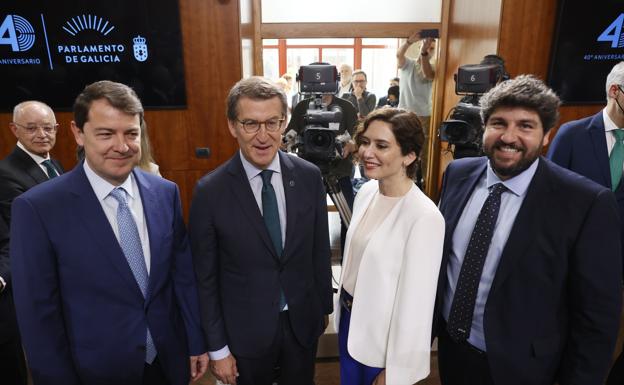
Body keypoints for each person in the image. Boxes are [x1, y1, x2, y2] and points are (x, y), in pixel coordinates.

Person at [10, 80, 208, 385]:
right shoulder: (38, 208)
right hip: (91, 372)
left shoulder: (165, 193)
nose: (122, 145)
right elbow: (38, 315)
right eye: (106, 133)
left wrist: (195, 341)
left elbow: (182, 277)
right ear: (78, 133)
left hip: (168, 361)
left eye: (131, 133)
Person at [436, 75, 622, 385]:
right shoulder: (457, 174)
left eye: (525, 126)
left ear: (547, 135)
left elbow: (596, 320)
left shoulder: (585, 203)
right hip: (452, 353)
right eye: (499, 123)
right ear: (484, 128)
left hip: (525, 369)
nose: (509, 136)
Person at [189, 76, 333, 385]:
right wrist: (217, 349)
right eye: (251, 124)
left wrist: (322, 311)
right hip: (244, 335)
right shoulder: (210, 192)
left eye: (272, 123)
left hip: (301, 326)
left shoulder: (309, 177)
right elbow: (205, 278)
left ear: (284, 123)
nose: (263, 136)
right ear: (232, 126)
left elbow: (319, 251)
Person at [336, 108, 444, 385]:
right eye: (365, 142)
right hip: (351, 324)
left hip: (382, 345)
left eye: (381, 145)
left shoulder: (424, 216)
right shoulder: (369, 191)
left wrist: (395, 373)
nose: (366, 152)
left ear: (409, 155)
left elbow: (416, 308)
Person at [546, 60, 624, 385]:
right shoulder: (572, 135)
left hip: (616, 275)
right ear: (615, 91)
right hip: (567, 269)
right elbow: (547, 199)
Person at [0, 100, 63, 385]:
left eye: (48, 128)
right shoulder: (6, 173)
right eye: (32, 128)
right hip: (39, 277)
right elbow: (25, 231)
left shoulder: (54, 164)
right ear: (14, 129)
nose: (42, 134)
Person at [397, 31, 436, 180]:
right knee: (402, 149)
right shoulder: (409, 64)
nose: (428, 50)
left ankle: (423, 184)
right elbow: (399, 56)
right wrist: (408, 42)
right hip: (403, 114)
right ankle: (402, 179)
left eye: (432, 48)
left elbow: (427, 74)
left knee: (423, 154)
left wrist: (424, 53)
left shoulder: (433, 65)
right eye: (426, 46)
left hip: (424, 116)